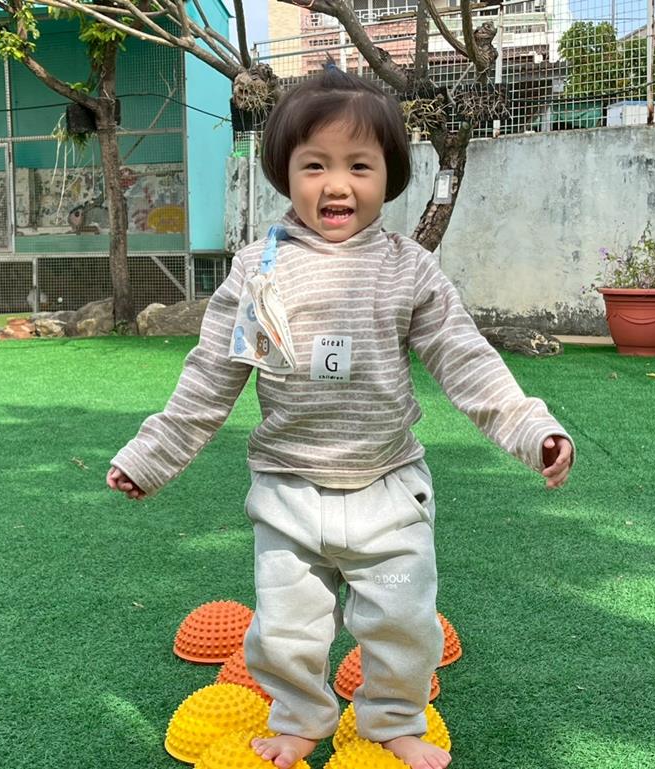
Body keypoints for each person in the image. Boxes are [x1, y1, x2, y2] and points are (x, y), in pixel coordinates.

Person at [107, 67, 574, 769]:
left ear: (388, 176)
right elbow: (208, 379)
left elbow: (465, 359)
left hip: (388, 489)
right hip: (288, 490)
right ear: (284, 172)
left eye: (359, 166)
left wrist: (530, 427)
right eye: (315, 165)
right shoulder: (259, 270)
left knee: (403, 624)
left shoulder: (409, 269)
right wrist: (150, 456)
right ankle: (299, 719)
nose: (336, 185)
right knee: (285, 631)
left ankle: (392, 721)